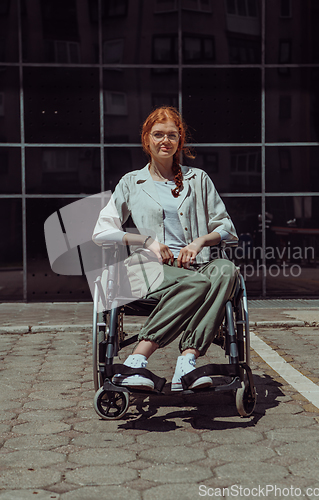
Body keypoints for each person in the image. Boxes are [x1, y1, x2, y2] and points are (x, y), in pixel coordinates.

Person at [93, 106, 238, 391]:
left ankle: (187, 362)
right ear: (146, 139)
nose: (165, 141)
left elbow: (226, 228)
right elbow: (102, 232)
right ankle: (136, 361)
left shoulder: (198, 180)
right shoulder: (132, 182)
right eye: (158, 135)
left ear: (180, 140)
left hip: (197, 267)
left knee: (226, 270)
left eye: (172, 135)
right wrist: (146, 241)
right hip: (149, 270)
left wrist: (199, 242)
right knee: (198, 283)